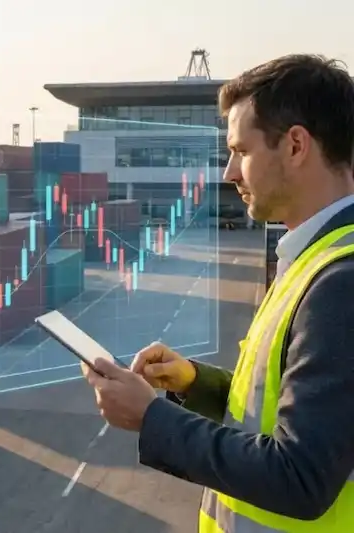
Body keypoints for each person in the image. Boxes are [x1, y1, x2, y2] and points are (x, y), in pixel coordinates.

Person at [82, 54, 354, 532]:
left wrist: (150, 418)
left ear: (295, 146)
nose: (229, 172)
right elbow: (294, 415)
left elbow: (301, 476)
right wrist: (194, 383)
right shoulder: (314, 258)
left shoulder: (341, 280)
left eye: (240, 151)